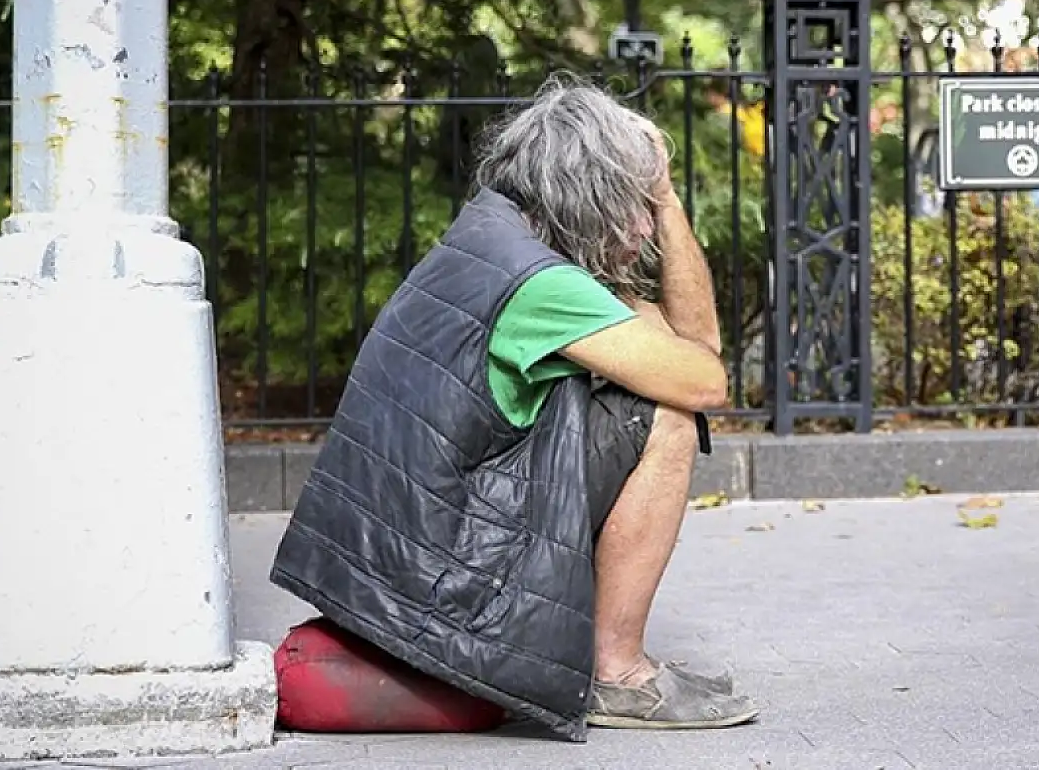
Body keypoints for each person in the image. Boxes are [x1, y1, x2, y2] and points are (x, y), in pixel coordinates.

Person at [269, 74, 760, 741]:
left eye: (650, 202)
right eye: (637, 201)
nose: (645, 226)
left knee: (642, 351)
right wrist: (672, 201)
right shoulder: (542, 284)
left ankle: (608, 664)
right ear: (591, 196)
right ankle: (617, 674)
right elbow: (705, 374)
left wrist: (657, 218)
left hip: (412, 553)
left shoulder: (492, 237)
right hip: (444, 575)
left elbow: (682, 343)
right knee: (668, 412)